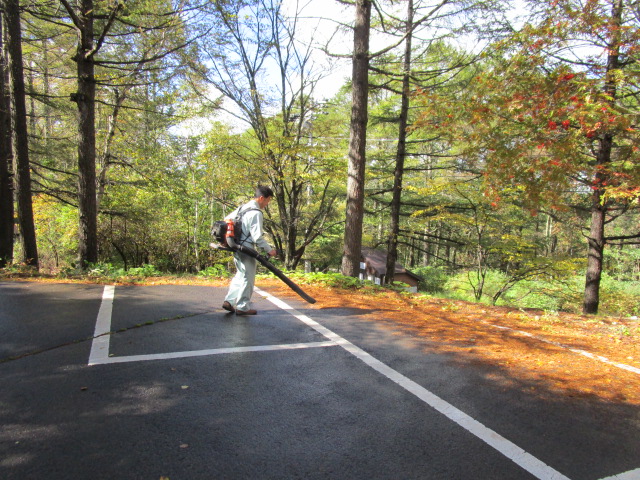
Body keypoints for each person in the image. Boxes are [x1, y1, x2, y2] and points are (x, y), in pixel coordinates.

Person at [222, 186, 277, 315]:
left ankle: (229, 301)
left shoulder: (243, 208)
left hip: (235, 245)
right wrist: (269, 250)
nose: (267, 204)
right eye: (268, 200)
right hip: (246, 249)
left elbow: (226, 220)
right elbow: (257, 237)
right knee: (248, 278)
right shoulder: (256, 213)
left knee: (240, 275)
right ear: (262, 198)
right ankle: (242, 307)